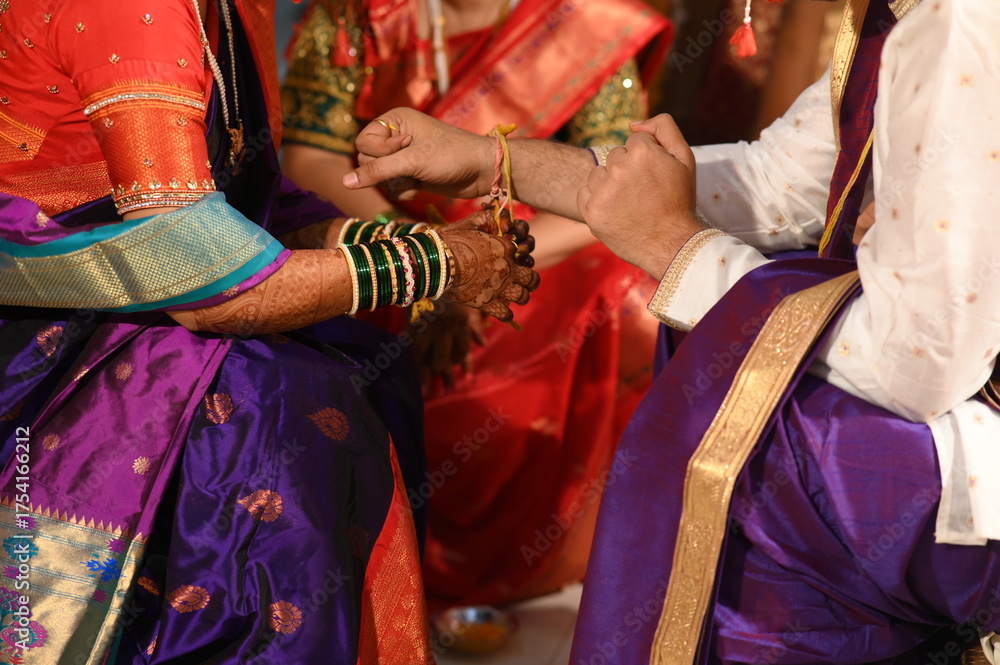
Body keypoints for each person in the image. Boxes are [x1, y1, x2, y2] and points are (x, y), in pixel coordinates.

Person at [342, 0, 1000, 661]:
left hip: (967, 456)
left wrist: (675, 249)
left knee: (725, 439)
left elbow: (918, 362)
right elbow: (776, 184)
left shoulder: (959, 21)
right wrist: (494, 163)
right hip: (929, 389)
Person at [0, 0, 538, 662]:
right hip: (58, 319)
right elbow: (198, 271)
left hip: (172, 285)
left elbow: (251, 202)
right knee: (277, 411)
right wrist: (436, 264)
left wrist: (427, 246)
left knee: (356, 360)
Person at [280, 0, 671, 607]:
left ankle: (569, 553)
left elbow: (614, 187)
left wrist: (489, 262)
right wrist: (429, 260)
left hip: (530, 253)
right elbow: (310, 159)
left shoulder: (587, 21)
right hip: (387, 242)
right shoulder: (359, 16)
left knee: (633, 298)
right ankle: (378, 561)